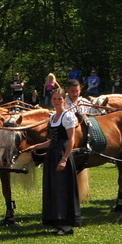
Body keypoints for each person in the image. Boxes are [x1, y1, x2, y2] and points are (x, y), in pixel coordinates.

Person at [40, 85, 79, 235]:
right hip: (52, 154)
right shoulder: (52, 117)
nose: (57, 101)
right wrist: (36, 146)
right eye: (54, 99)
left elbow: (71, 140)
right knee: (53, 188)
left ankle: (67, 225)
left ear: (64, 100)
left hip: (62, 154)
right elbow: (52, 140)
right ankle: (56, 222)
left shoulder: (67, 116)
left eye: (60, 99)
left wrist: (64, 159)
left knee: (63, 189)